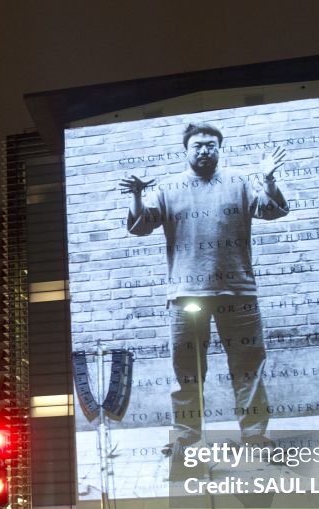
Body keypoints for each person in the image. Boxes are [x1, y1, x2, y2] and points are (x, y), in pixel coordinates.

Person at [120, 122, 289, 475]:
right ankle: (185, 437)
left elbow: (273, 210)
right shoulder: (168, 188)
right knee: (187, 372)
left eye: (211, 145)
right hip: (185, 296)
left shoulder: (241, 182)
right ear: (186, 149)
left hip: (238, 291)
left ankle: (255, 437)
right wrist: (136, 195)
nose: (204, 150)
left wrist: (269, 180)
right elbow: (140, 226)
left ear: (219, 148)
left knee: (248, 367)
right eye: (198, 145)